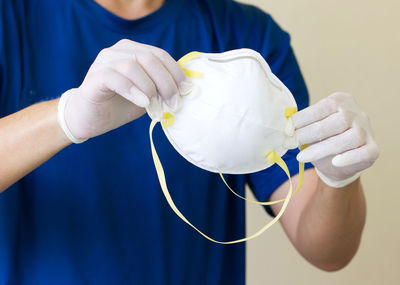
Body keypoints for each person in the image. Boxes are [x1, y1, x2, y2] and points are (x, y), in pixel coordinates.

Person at [0, 0, 379, 284]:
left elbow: (329, 251)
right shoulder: (12, 19)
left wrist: (338, 176)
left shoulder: (246, 38)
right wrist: (65, 117)